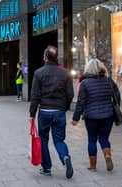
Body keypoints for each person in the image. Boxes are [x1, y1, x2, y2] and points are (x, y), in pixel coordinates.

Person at [29, 45, 74, 179]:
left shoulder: (38, 73)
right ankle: (65, 158)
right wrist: (64, 107)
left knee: (43, 139)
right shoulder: (65, 73)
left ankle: (46, 168)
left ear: (45, 58)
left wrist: (32, 114)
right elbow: (70, 94)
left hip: (44, 112)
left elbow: (35, 96)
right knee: (59, 140)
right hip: (59, 111)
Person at [71, 58, 121, 172]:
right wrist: (116, 106)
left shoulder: (84, 83)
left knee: (92, 140)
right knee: (104, 139)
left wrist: (75, 118)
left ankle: (93, 166)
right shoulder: (108, 81)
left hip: (91, 116)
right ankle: (107, 155)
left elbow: (81, 102)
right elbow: (117, 94)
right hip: (108, 115)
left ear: (88, 69)